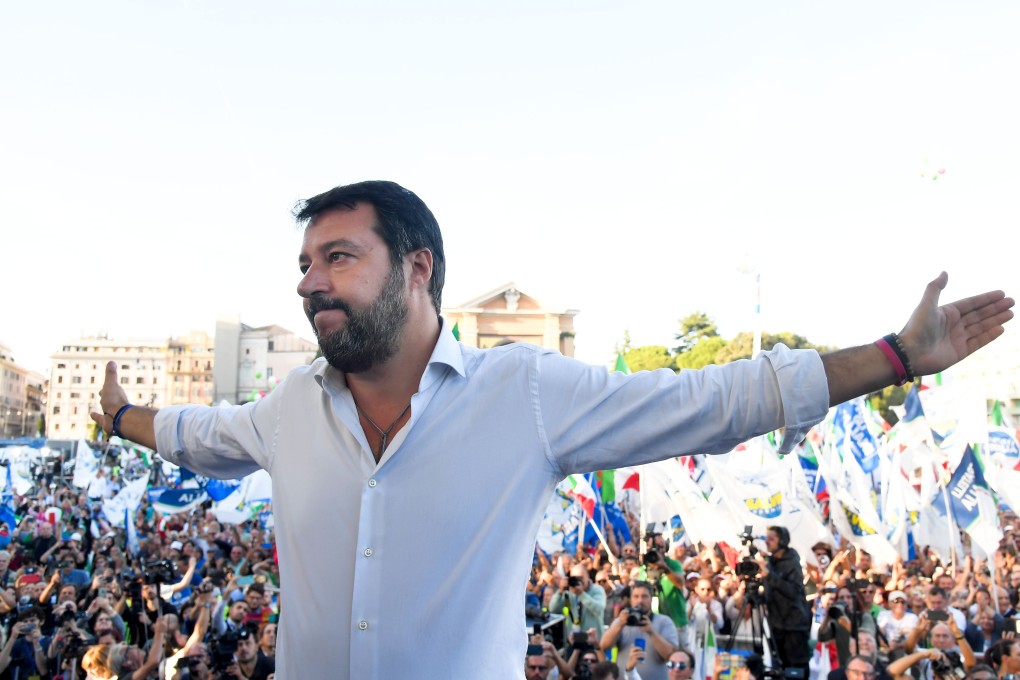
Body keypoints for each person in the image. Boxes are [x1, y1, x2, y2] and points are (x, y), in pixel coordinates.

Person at [89, 180, 1015, 679]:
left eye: (337, 257)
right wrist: (121, 416)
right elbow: (194, 433)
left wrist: (893, 358)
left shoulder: (523, 394)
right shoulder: (287, 409)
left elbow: (710, 400)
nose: (306, 283)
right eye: (302, 264)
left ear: (417, 270)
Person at [760, 526, 811, 678]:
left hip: (794, 627)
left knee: (795, 669)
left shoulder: (792, 562)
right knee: (779, 668)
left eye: (771, 539)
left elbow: (794, 592)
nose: (767, 542)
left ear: (782, 541)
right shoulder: (770, 563)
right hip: (776, 624)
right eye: (766, 538)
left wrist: (769, 576)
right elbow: (771, 593)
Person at [601, 581, 679, 680]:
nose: (640, 601)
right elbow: (604, 645)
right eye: (636, 596)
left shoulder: (664, 622)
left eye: (644, 596)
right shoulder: (621, 621)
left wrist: (651, 632)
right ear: (631, 599)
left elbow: (670, 655)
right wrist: (620, 625)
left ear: (652, 599)